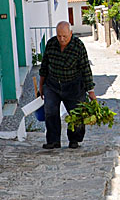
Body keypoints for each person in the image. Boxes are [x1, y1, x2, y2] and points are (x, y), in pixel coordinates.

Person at [38, 21, 96, 149]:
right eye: (59, 36)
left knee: (76, 114)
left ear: (71, 33)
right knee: (50, 112)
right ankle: (53, 141)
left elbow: (85, 69)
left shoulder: (78, 46)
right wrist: (41, 86)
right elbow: (44, 66)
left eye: (65, 36)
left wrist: (91, 91)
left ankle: (74, 140)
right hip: (52, 84)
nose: (62, 39)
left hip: (73, 86)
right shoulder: (51, 44)